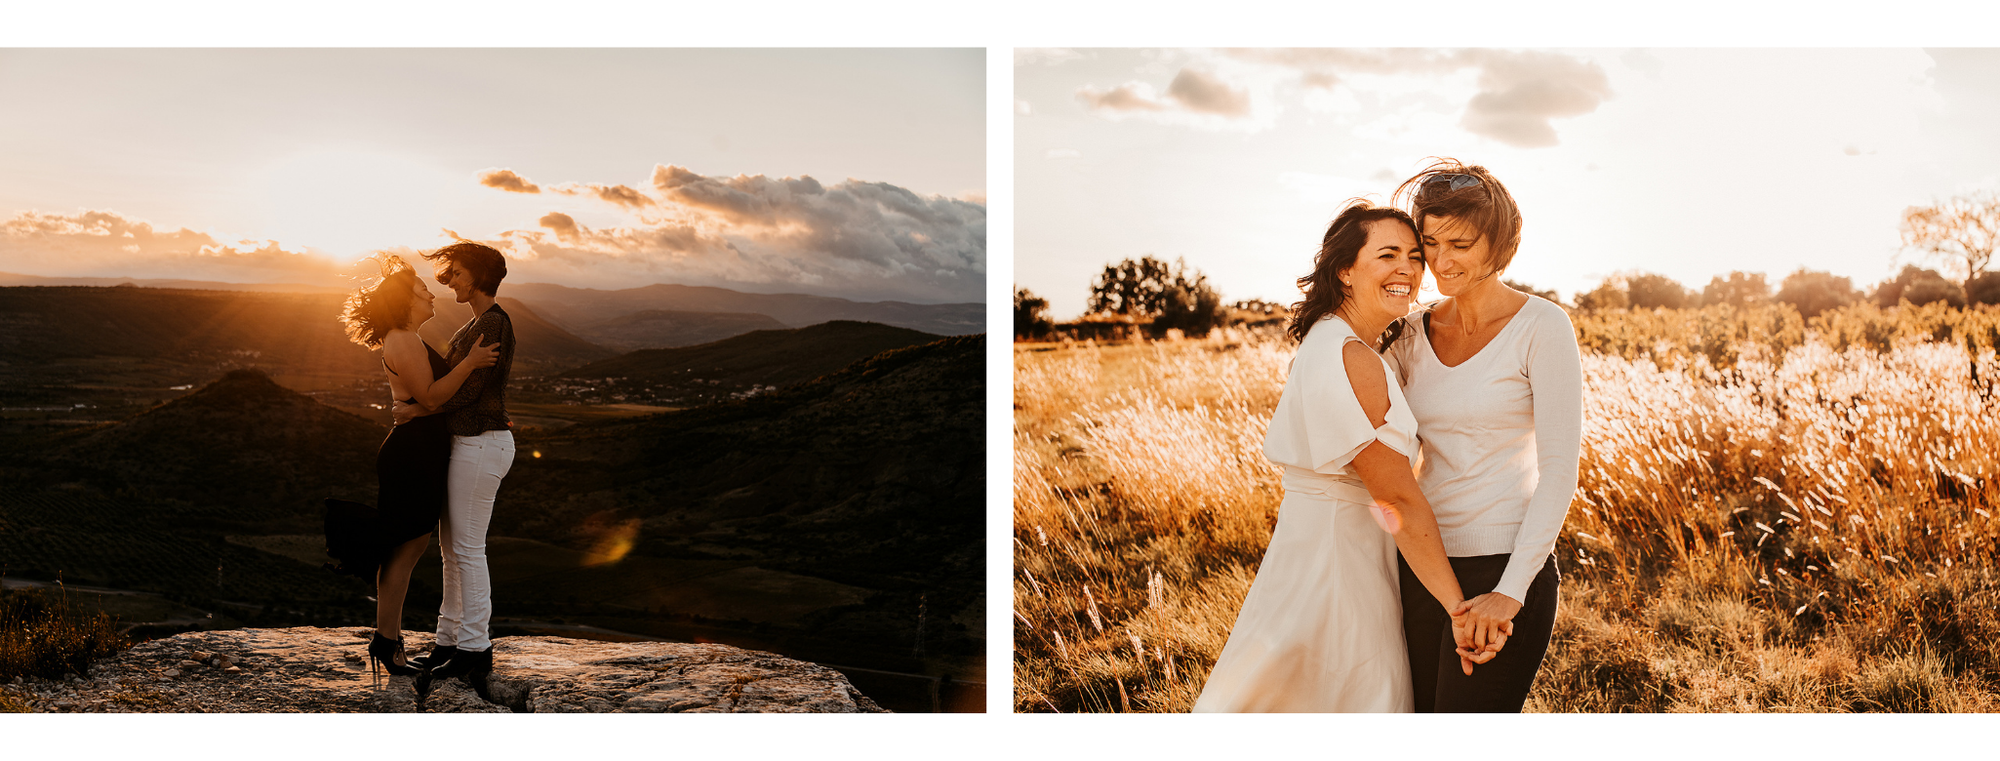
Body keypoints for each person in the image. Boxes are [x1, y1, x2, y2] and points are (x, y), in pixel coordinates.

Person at [1192, 201, 1492, 712]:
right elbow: (1395, 494)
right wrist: (1456, 608)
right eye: (1388, 254)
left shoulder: (1336, 342)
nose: (1408, 268)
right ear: (1345, 270)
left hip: (1322, 547)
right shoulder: (1351, 355)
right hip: (1338, 562)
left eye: (1414, 256)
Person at [1384, 159, 1584, 712]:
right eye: (1430, 244)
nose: (1441, 262)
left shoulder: (1542, 327)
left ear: (1499, 245)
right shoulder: (1409, 331)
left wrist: (1509, 594)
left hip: (1505, 565)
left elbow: (1560, 471)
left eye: (1461, 245)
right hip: (1421, 564)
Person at [331, 254, 499, 676]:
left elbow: (422, 404)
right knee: (403, 552)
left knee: (408, 548)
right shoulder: (401, 338)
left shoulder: (406, 336)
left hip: (420, 450)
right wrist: (470, 363)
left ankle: (388, 640)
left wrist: (417, 411)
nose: (430, 293)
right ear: (405, 300)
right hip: (412, 457)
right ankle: (387, 642)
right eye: (422, 289)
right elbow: (430, 396)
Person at [393, 241, 517, 687]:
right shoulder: (478, 323)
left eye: (458, 274)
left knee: (466, 550)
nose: (450, 282)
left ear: (480, 275)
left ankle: (476, 649)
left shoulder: (493, 323)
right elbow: (456, 384)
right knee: (451, 551)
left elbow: (464, 393)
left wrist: (419, 410)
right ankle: (448, 641)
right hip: (470, 443)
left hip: (483, 443)